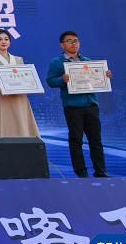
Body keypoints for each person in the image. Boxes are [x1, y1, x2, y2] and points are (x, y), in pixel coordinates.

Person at [46, 31, 111, 178]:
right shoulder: (57, 62)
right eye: (69, 41)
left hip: (91, 105)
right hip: (73, 107)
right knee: (76, 140)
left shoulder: (87, 60)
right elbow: (50, 81)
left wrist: (105, 76)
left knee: (96, 140)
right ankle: (81, 172)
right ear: (62, 45)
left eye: (76, 40)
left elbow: (96, 79)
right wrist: (62, 79)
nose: (73, 43)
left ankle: (100, 171)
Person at [0, 29, 40, 137]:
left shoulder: (18, 59)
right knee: (5, 124)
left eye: (6, 39)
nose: (3, 42)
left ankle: (24, 144)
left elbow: (24, 77)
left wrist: (29, 85)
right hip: (2, 97)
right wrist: (0, 87)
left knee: (21, 123)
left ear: (10, 42)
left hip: (19, 97)